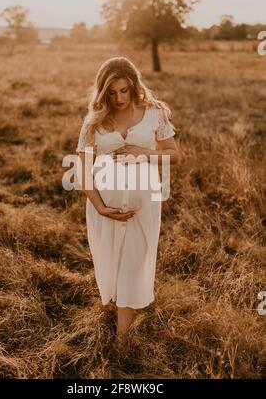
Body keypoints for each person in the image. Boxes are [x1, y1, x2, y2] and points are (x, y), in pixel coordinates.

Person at [75, 56, 182, 347]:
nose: (119, 98)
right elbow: (83, 168)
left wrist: (142, 151)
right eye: (111, 92)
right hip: (103, 206)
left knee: (134, 262)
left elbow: (174, 155)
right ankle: (117, 307)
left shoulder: (153, 114)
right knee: (111, 259)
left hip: (143, 204)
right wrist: (100, 206)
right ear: (103, 91)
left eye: (124, 90)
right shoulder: (94, 121)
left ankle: (123, 341)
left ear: (134, 86)